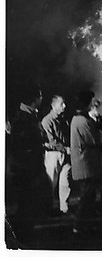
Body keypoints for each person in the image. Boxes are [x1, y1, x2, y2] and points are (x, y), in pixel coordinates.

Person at [8, 88, 49, 243]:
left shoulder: (29, 116)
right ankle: (23, 236)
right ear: (34, 99)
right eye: (40, 96)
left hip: (29, 167)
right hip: (26, 169)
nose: (41, 99)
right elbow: (22, 146)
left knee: (29, 202)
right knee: (26, 202)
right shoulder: (23, 118)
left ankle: (25, 233)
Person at [70, 91, 102, 234]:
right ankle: (78, 224)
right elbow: (94, 140)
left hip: (86, 164)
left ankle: (86, 224)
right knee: (86, 196)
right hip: (85, 165)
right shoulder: (82, 121)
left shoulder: (79, 119)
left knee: (89, 196)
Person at [41, 94, 71, 215]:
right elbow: (51, 141)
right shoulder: (47, 120)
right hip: (53, 155)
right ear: (53, 106)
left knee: (65, 182)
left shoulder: (63, 120)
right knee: (51, 182)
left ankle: (65, 208)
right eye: (61, 104)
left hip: (65, 154)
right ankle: (48, 209)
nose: (64, 106)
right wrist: (65, 148)